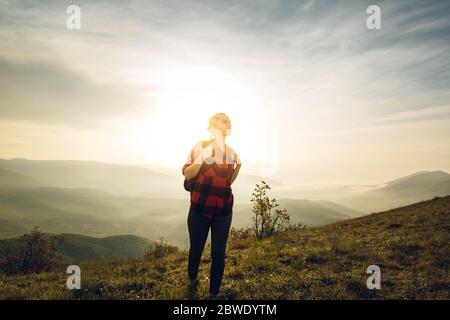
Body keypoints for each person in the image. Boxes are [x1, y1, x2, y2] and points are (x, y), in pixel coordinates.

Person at [182, 112, 242, 299]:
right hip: (199, 209)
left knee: (218, 253)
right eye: (224, 120)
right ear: (213, 126)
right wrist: (204, 156)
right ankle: (192, 279)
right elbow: (187, 174)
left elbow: (227, 182)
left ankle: (213, 294)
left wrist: (238, 166)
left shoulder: (231, 152)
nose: (229, 122)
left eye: (229, 121)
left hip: (223, 210)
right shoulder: (200, 146)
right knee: (196, 249)